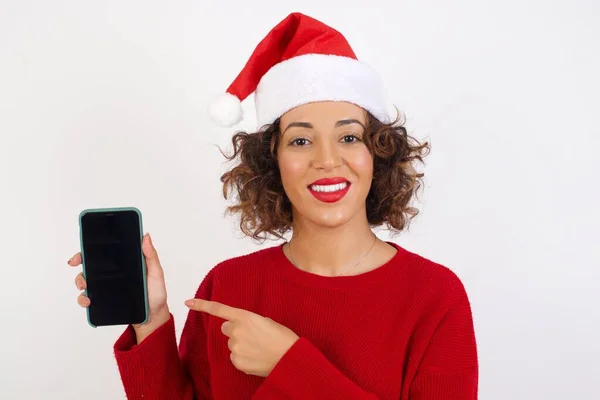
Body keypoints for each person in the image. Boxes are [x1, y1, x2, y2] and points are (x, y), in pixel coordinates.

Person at [69, 12, 478, 399]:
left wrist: (290, 365)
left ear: (379, 153)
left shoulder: (435, 296)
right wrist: (150, 320)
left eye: (349, 137)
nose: (327, 159)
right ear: (272, 161)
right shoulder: (227, 286)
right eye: (300, 140)